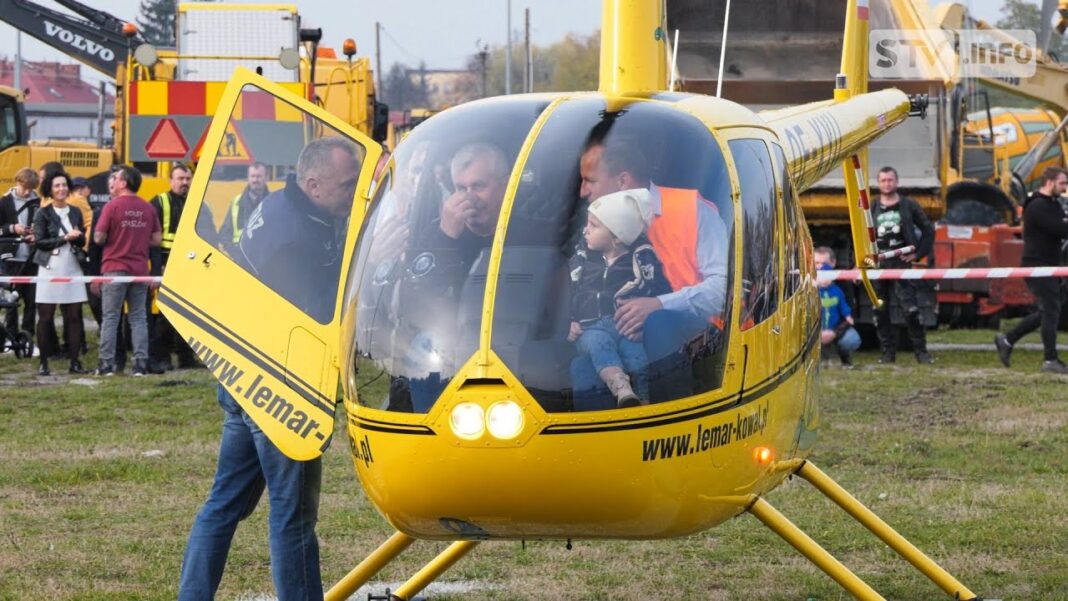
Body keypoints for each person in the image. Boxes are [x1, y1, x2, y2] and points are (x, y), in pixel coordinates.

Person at [178, 137, 358, 601]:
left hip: (242, 379)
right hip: (280, 387)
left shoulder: (283, 203)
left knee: (222, 506)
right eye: (346, 185)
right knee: (292, 517)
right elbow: (320, 312)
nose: (352, 193)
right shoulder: (295, 236)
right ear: (313, 183)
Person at [570, 139, 729, 407]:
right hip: (622, 329)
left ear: (622, 181)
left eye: (591, 181)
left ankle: (673, 427)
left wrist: (657, 304)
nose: (583, 191)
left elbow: (724, 291)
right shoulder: (594, 228)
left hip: (700, 330)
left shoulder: (692, 209)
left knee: (658, 324)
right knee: (582, 365)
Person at [569, 188, 671, 407]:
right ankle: (621, 387)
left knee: (636, 355)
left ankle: (642, 400)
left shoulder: (642, 261)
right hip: (590, 328)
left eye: (594, 226)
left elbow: (660, 293)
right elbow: (565, 295)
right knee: (599, 344)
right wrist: (567, 323)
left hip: (626, 328)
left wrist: (647, 324)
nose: (585, 231)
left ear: (616, 237)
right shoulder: (582, 263)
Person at [994, 167, 1068, 374]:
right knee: (1051, 310)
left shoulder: (1052, 204)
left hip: (1050, 265)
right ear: (1049, 182)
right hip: (1037, 266)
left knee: (1047, 311)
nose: (1064, 188)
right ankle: (1050, 360)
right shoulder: (1037, 206)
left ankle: (1007, 339)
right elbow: (1062, 229)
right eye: (1062, 183)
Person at [93, 165, 161, 376]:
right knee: (139, 317)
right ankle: (140, 364)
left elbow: (98, 238)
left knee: (111, 318)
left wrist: (115, 238)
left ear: (123, 183)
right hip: (140, 269)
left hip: (114, 268)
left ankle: (106, 364)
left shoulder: (112, 207)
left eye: (117, 178)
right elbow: (156, 239)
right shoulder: (147, 208)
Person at [870, 166, 935, 364]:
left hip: (901, 263)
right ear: (878, 183)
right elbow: (860, 235)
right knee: (880, 310)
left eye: (890, 180)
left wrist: (918, 253)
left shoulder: (908, 205)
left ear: (896, 182)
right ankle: (888, 354)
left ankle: (921, 353)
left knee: (910, 310)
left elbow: (928, 229)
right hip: (879, 264)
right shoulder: (871, 206)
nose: (887, 184)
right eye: (883, 180)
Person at [32, 171, 88, 375]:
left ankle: (74, 362)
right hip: (50, 266)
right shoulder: (43, 213)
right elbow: (40, 242)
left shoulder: (75, 211)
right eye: (57, 186)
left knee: (74, 316)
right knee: (45, 317)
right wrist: (65, 237)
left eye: (64, 185)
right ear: (50, 189)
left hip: (72, 264)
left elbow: (81, 240)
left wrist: (78, 237)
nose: (61, 189)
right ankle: (44, 363)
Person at [148, 164, 198, 372]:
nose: (184, 183)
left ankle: (186, 357)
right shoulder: (159, 202)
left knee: (188, 314)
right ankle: (162, 357)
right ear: (170, 181)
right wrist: (156, 268)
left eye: (188, 178)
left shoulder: (198, 204)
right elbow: (151, 240)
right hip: (165, 265)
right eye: (180, 179)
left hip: (190, 267)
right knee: (165, 315)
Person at [0, 168, 41, 346]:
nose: (27, 192)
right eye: (25, 187)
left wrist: (36, 233)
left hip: (31, 258)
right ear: (17, 182)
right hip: (10, 258)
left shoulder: (38, 202)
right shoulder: (4, 202)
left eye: (30, 189)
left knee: (31, 300)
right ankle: (10, 335)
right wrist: (12, 229)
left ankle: (27, 335)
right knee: (11, 301)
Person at [815, 246, 860, 368]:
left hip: (836, 327)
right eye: (816, 263)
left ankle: (845, 359)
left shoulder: (844, 284)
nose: (819, 267)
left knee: (850, 340)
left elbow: (850, 312)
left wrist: (834, 332)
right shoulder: (806, 284)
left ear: (833, 263)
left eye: (824, 263)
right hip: (814, 329)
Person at [218, 162, 269, 255]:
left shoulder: (273, 203)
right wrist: (236, 254)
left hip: (265, 260)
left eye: (259, 176)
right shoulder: (236, 202)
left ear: (266, 178)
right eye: (252, 176)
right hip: (241, 260)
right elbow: (224, 234)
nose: (255, 180)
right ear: (248, 178)